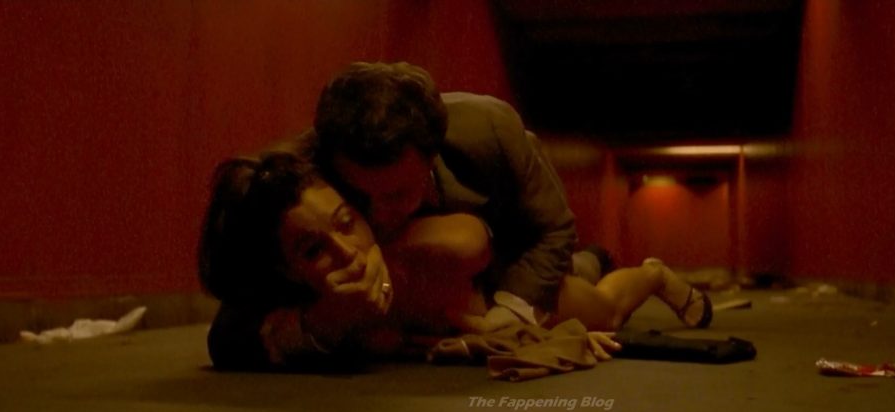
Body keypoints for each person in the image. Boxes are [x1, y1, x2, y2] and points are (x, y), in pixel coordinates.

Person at [199, 150, 712, 371]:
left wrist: (399, 275)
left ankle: (651, 273)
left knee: (603, 309)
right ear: (284, 270)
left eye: (346, 222)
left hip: (498, 278)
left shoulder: (412, 238)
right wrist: (331, 319)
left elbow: (470, 242)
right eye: (313, 251)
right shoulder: (286, 302)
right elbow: (228, 338)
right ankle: (591, 259)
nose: (348, 253)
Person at [311, 62, 580, 326]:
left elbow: (554, 230)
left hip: (519, 259)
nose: (377, 214)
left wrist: (509, 315)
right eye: (358, 196)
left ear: (431, 158)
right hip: (434, 283)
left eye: (395, 195)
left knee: (584, 284)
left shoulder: (490, 130)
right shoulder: (313, 163)